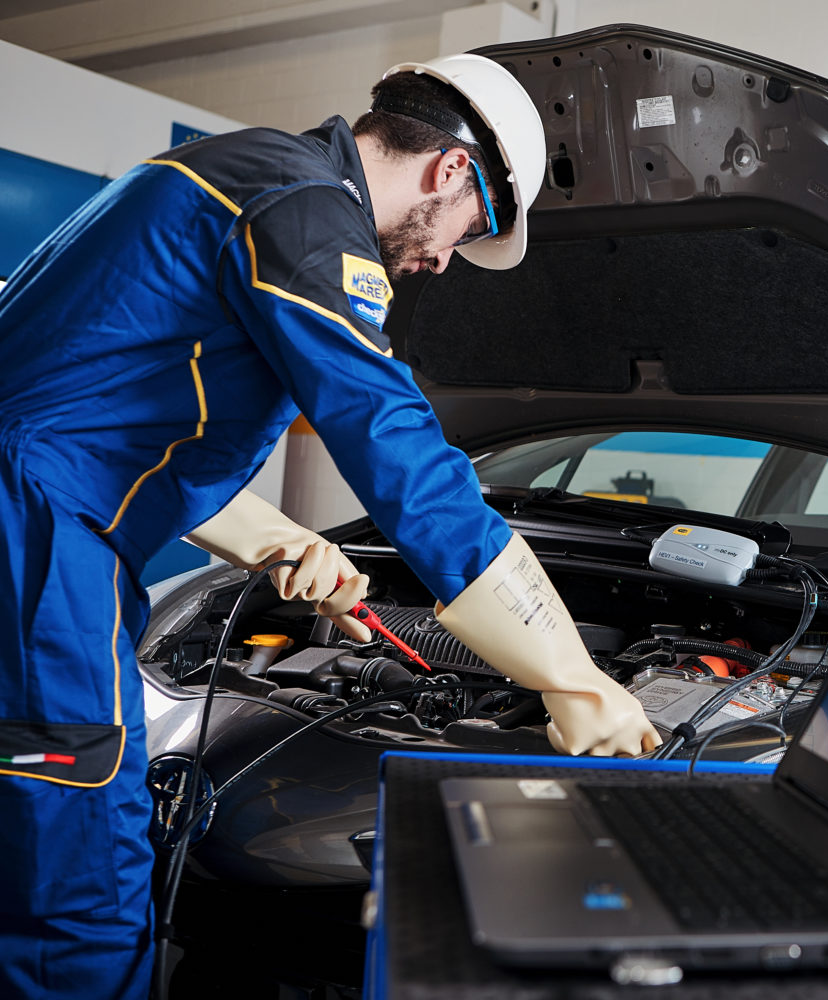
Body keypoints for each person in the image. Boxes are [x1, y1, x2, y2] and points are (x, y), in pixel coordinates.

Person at [0, 54, 658, 998]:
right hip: (34, 551)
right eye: (467, 233)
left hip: (31, 523)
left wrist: (281, 543)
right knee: (76, 883)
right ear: (451, 173)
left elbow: (99, 422)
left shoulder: (237, 172)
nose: (439, 261)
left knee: (31, 812)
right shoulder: (308, 216)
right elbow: (401, 455)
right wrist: (572, 676)